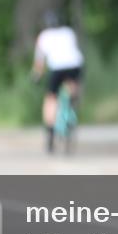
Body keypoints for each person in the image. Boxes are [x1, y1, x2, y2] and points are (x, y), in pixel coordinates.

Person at [32, 11, 85, 152]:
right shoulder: (69, 32)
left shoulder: (43, 37)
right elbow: (73, 51)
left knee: (51, 99)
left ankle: (50, 135)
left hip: (57, 68)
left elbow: (39, 63)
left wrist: (36, 76)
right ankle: (73, 103)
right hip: (75, 65)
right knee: (72, 86)